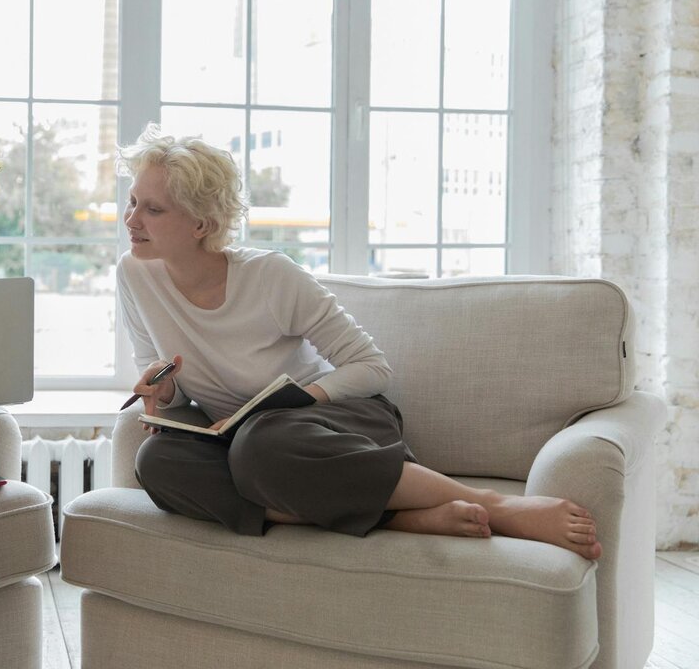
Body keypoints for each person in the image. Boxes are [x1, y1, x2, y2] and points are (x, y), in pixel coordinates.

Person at [116, 125, 602, 559]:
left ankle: (496, 506)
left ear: (202, 224)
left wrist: (276, 408)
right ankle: (400, 520)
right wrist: (163, 393)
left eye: (152, 209)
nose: (131, 219)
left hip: (330, 426)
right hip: (237, 440)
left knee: (262, 442)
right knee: (158, 462)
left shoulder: (270, 276)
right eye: (133, 201)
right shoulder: (133, 275)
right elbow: (160, 371)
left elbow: (370, 366)